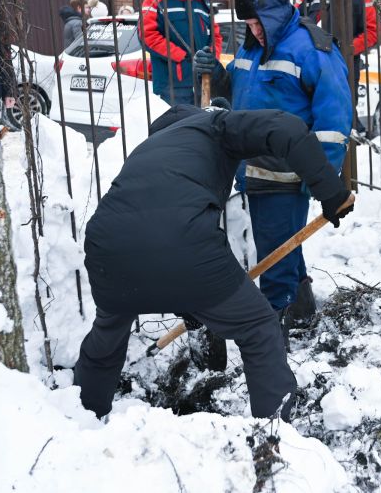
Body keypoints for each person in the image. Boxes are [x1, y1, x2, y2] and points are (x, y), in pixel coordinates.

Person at [73, 104, 354, 421]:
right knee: (258, 328)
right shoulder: (217, 125)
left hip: (107, 248)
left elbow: (152, 218)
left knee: (106, 341)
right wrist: (331, 192)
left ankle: (81, 418)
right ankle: (273, 431)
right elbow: (287, 128)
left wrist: (191, 303)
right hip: (184, 243)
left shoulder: (150, 148)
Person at [197, 0, 353, 334]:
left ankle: (271, 344)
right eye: (249, 24)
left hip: (286, 174)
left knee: (273, 263)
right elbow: (238, 95)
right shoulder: (252, 48)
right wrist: (215, 75)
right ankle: (302, 315)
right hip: (253, 169)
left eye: (258, 23)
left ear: (276, 16)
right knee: (283, 248)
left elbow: (334, 118)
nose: (254, 31)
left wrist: (320, 176)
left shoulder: (311, 49)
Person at [141, 0, 221, 106]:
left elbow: (215, 35)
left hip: (203, 82)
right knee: (178, 119)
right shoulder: (155, 0)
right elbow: (147, 35)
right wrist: (181, 56)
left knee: (203, 118)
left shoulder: (200, 2)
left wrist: (210, 59)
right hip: (172, 85)